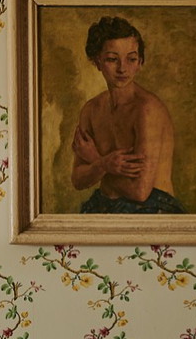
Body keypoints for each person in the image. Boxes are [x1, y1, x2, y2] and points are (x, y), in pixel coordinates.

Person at [70, 16, 185, 214]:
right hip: (104, 206)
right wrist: (104, 164)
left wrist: (98, 163)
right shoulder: (91, 109)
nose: (123, 68)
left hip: (151, 208)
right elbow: (78, 180)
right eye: (113, 59)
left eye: (131, 59)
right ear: (97, 61)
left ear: (140, 62)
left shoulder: (147, 110)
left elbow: (140, 192)